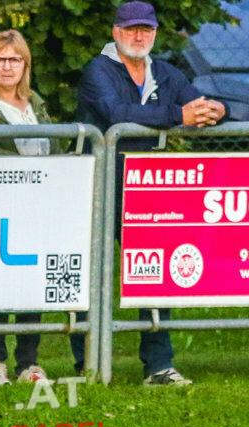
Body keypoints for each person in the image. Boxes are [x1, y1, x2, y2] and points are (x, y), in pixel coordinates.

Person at [76, 1, 225, 385]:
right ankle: (88, 365)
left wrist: (214, 110)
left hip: (148, 187)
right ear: (115, 32)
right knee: (91, 275)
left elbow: (195, 101)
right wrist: (180, 116)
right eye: (130, 29)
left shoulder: (165, 72)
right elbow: (116, 114)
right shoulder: (99, 69)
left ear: (156, 33)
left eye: (146, 29)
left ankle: (158, 365)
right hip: (98, 182)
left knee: (153, 271)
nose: (138, 36)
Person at [0, 29, 66, 387]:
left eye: (14, 59)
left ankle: (29, 362)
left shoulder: (35, 102)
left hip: (38, 207)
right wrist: (31, 170)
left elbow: (53, 146)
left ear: (25, 64)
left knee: (31, 283)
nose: (7, 67)